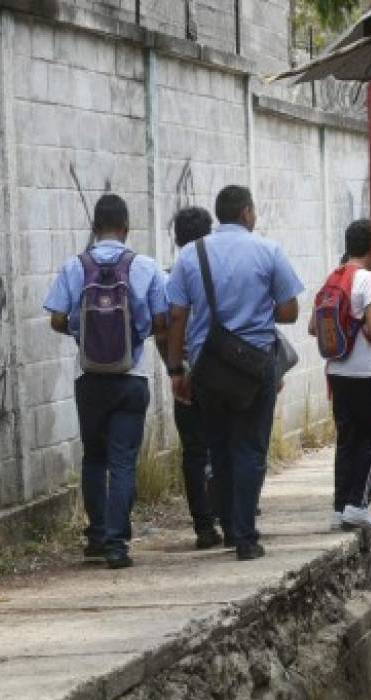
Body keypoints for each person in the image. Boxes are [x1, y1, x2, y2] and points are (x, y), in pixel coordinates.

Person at [165, 185, 304, 561]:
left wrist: (176, 369)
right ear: (246, 213)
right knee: (250, 449)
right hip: (255, 366)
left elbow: (176, 315)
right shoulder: (268, 250)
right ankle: (245, 536)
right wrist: (258, 310)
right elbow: (290, 311)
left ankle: (227, 526)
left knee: (219, 448)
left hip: (207, 368)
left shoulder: (190, 256)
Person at [44, 194, 168, 570]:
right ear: (126, 229)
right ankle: (117, 545)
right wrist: (136, 333)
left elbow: (56, 319)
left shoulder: (74, 267)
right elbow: (163, 320)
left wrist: (88, 335)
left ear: (94, 229)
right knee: (123, 462)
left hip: (91, 380)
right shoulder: (145, 266)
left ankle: (96, 537)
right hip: (131, 379)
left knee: (94, 459)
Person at [311, 219, 371, 530]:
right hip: (364, 373)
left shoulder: (335, 275)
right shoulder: (366, 279)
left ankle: (340, 508)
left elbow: (314, 327)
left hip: (337, 371)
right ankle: (359, 504)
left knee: (346, 440)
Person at [168, 205, 222, 550]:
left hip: (188, 372)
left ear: (176, 238)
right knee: (225, 443)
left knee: (193, 450)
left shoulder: (174, 271)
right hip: (222, 369)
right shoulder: (222, 267)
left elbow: (166, 326)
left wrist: (175, 369)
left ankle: (203, 525)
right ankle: (230, 513)